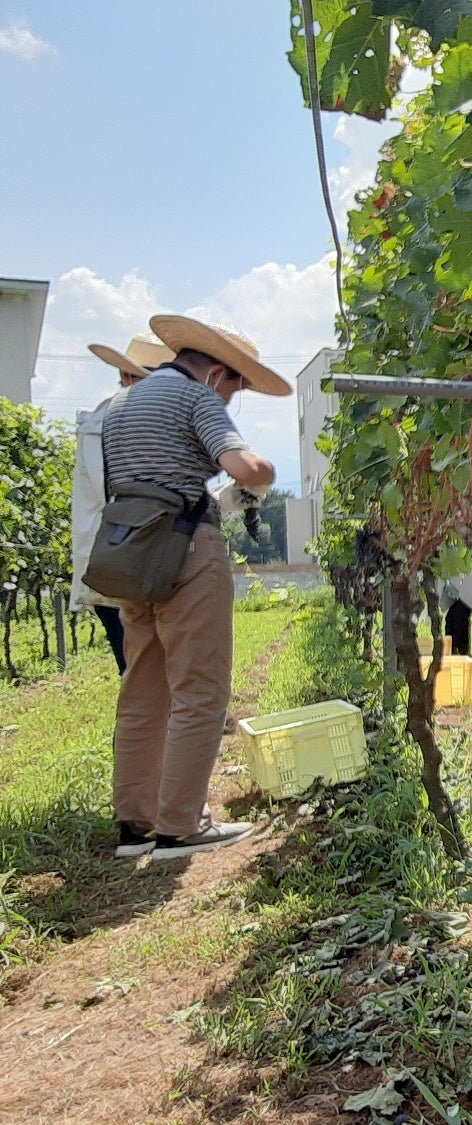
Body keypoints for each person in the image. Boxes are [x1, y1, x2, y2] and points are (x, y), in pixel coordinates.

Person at [103, 315, 287, 860]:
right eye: (236, 386)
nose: (233, 399)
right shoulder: (194, 398)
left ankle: (135, 826)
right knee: (200, 689)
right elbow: (243, 467)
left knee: (143, 691)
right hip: (184, 544)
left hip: (129, 550)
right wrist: (266, 472)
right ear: (215, 372)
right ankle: (182, 826)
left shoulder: (124, 406)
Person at [73, 334, 175, 674]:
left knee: (141, 673)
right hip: (127, 566)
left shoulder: (106, 421)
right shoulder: (115, 427)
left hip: (113, 567)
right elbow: (134, 502)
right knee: (145, 675)